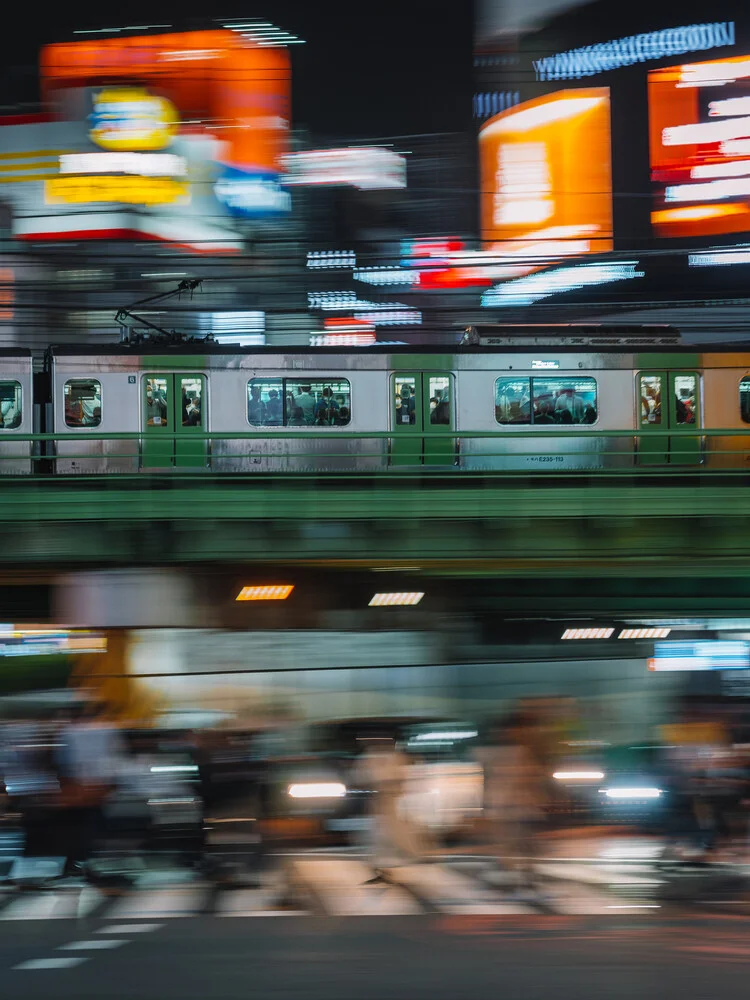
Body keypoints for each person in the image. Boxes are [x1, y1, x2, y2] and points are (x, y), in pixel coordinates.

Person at [477, 710, 548, 900]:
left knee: (523, 846)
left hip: (518, 808)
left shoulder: (524, 751)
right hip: (506, 809)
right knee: (509, 847)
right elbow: (502, 780)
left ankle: (522, 879)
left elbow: (532, 778)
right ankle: (507, 880)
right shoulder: (507, 752)